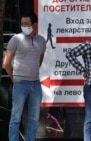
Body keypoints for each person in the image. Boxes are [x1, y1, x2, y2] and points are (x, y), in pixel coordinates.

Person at [3, 12, 46, 141]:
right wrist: (15, 78)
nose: (24, 26)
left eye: (26, 24)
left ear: (34, 25)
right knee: (16, 117)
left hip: (35, 84)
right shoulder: (16, 39)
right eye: (22, 24)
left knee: (34, 118)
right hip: (20, 83)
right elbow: (6, 63)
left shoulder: (41, 40)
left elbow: (40, 60)